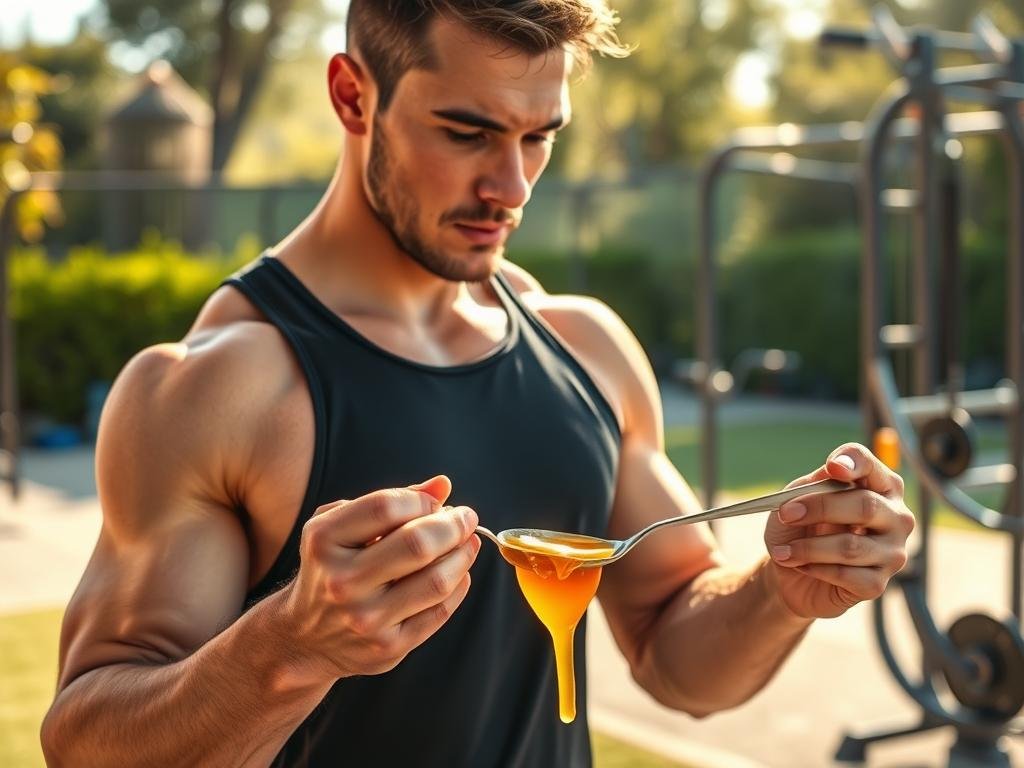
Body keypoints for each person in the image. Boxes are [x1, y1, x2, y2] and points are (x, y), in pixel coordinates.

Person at [41, 2, 914, 766]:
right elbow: (85, 745)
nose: (512, 187)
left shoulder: (585, 349)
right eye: (468, 133)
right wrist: (291, 643)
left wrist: (781, 588)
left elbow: (677, 654)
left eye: (540, 137)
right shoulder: (216, 387)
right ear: (353, 95)